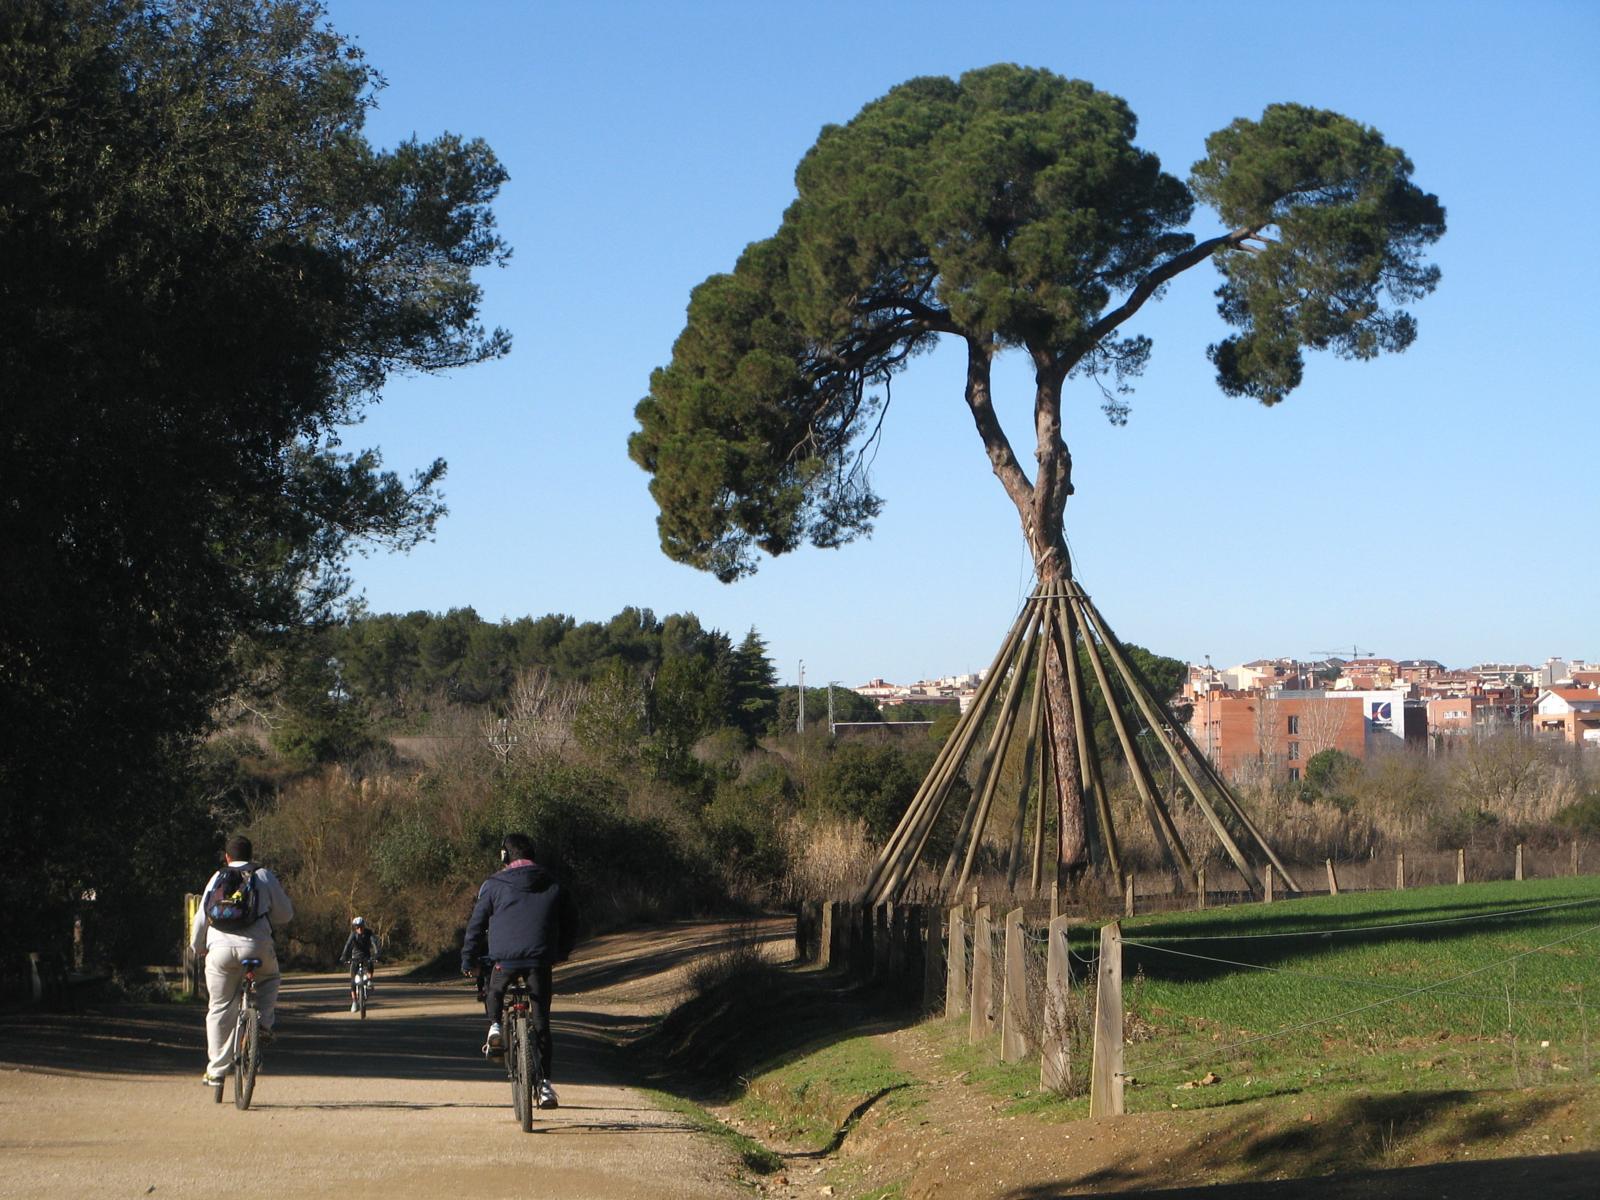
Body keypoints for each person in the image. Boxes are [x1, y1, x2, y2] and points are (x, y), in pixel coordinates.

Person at [460, 832, 578, 1109]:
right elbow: (572, 921)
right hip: (540, 960)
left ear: (504, 856)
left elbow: (476, 927)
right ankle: (546, 1085)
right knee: (541, 1022)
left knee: (495, 988)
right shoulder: (553, 882)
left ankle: (495, 1026)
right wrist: (561, 951)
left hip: (504, 960)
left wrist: (469, 961)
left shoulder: (492, 885)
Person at [189, 834, 295, 1088]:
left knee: (220, 1007)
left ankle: (215, 1072)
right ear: (251, 855)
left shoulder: (216, 878)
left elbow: (202, 919)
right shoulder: (263, 876)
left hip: (219, 951)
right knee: (270, 978)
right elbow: (285, 914)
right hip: (256, 947)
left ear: (227, 857)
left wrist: (198, 947)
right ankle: (265, 1024)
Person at [338, 916, 381, 1012]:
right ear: (355, 927)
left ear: (364, 926)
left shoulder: (369, 933)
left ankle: (369, 980)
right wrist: (344, 956)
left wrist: (377, 954)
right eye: (357, 927)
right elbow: (348, 945)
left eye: (361, 926)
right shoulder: (353, 935)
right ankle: (354, 1002)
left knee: (370, 964)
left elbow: (374, 944)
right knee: (353, 981)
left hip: (366, 956)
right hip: (355, 957)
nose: (359, 929)